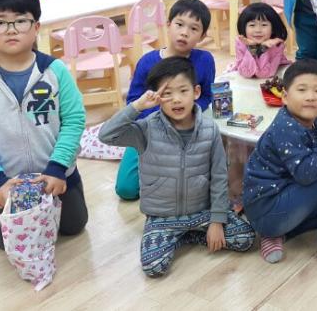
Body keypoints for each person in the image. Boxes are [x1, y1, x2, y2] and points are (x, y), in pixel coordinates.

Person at [0, 0, 87, 250]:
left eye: (20, 21)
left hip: (59, 174)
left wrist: (58, 168)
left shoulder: (55, 71)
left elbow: (74, 121)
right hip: (8, 181)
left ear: (36, 27)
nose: (11, 29)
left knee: (74, 227)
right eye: (0, 22)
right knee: (4, 244)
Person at [99, 57, 255, 276]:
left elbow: (219, 177)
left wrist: (217, 221)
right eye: (167, 94)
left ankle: (191, 234)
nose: (177, 99)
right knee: (153, 267)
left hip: (203, 212)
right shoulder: (147, 128)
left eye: (183, 91)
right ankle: (181, 236)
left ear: (196, 92)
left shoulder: (209, 130)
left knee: (246, 238)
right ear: (156, 97)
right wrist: (137, 106)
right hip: (163, 217)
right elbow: (106, 135)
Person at [242, 59, 317, 264]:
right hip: (267, 211)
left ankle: (275, 235)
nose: (310, 97)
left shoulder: (311, 120)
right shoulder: (286, 128)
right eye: (302, 89)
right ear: (285, 97)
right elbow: (307, 173)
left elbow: (307, 156)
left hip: (277, 203)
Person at [115, 0, 216, 200]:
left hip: (188, 129)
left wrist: (188, 113)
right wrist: (160, 118)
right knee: (126, 189)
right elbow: (133, 100)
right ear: (168, 25)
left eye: (194, 28)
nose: (184, 32)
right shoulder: (147, 61)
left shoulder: (205, 60)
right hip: (149, 131)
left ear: (202, 36)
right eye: (179, 24)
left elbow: (206, 95)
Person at [231, 2, 291, 78]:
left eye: (264, 25)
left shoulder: (276, 45)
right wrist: (252, 47)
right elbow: (246, 73)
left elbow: (264, 74)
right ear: (244, 27)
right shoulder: (241, 42)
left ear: (273, 28)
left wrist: (264, 48)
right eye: (252, 25)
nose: (258, 30)